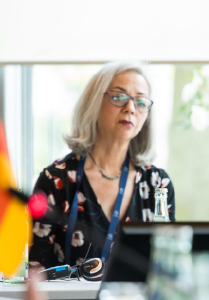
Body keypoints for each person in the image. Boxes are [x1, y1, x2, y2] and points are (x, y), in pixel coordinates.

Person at [29, 61, 175, 269]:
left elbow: (168, 265)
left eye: (141, 102)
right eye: (119, 97)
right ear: (94, 103)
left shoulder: (158, 184)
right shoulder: (56, 180)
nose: (130, 108)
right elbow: (36, 270)